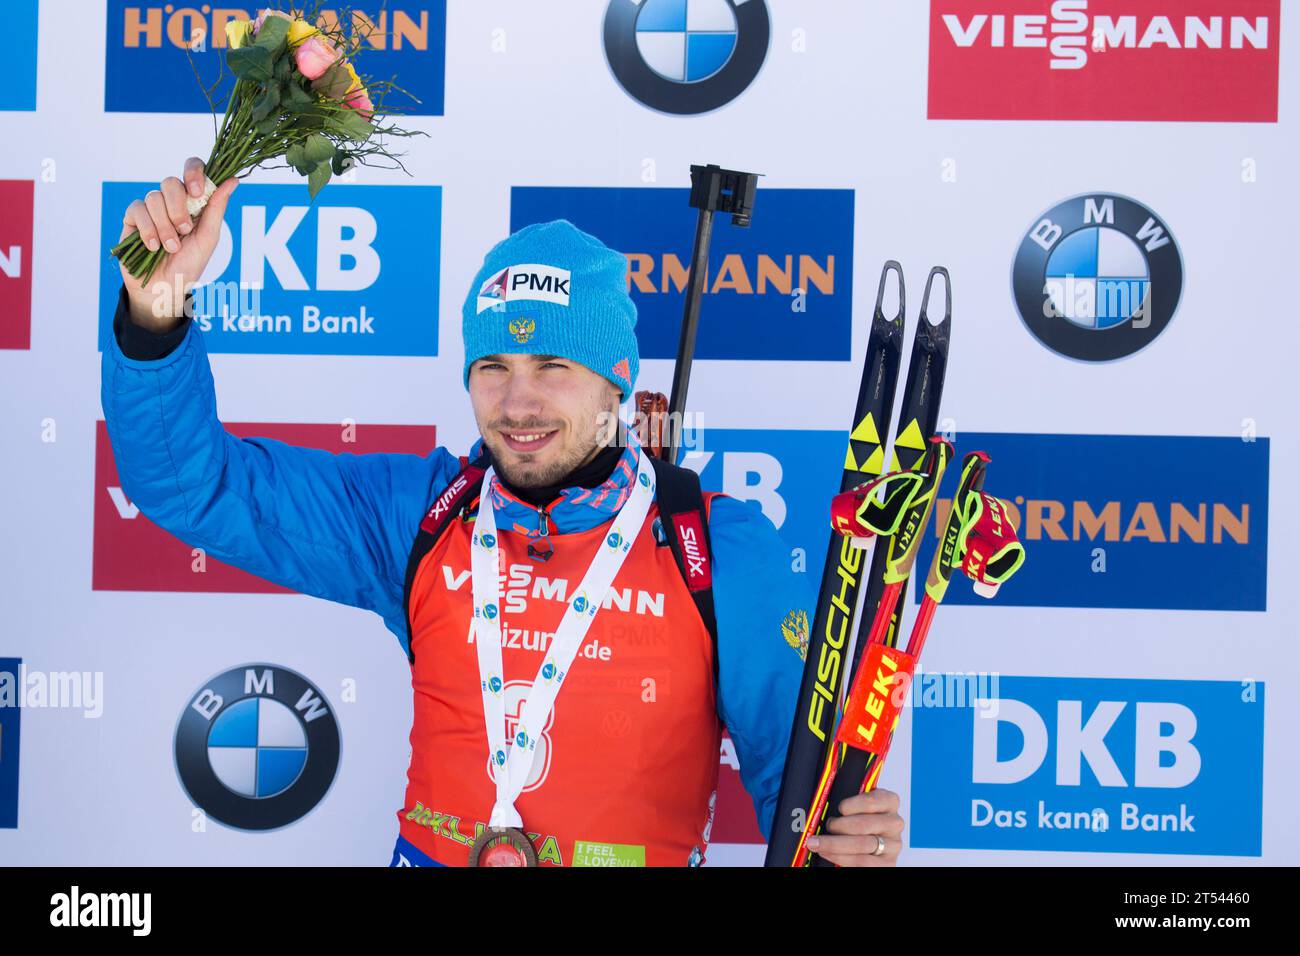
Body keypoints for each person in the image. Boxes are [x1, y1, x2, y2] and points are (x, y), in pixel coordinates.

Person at [103, 157, 906, 867]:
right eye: (492, 365)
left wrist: (845, 838)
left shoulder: (714, 548)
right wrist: (157, 307)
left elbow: (797, 797)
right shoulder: (419, 515)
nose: (518, 402)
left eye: (553, 364)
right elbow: (193, 486)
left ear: (616, 380)